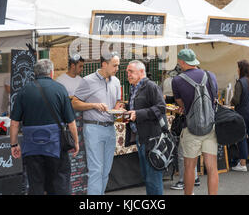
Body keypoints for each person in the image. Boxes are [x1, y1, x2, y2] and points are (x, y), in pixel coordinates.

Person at [10, 59, 79, 195]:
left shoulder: (23, 91)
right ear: (51, 72)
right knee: (60, 182)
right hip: (56, 146)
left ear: (35, 73)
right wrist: (75, 142)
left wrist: (14, 145)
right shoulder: (60, 89)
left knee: (36, 184)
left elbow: (14, 123)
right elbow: (71, 122)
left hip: (32, 148)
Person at [71, 52, 123, 195]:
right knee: (96, 170)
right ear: (104, 64)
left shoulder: (117, 81)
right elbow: (74, 103)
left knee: (105, 171)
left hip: (110, 128)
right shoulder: (88, 80)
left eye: (118, 65)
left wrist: (118, 108)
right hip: (93, 128)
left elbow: (117, 102)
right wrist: (93, 105)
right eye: (115, 65)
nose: (117, 68)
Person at [172, 49, 219, 195]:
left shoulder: (177, 80)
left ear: (182, 62)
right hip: (210, 127)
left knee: (189, 167)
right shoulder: (210, 75)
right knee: (212, 168)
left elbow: (181, 104)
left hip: (190, 127)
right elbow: (215, 98)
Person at [124, 60, 166, 195]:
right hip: (141, 138)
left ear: (141, 72)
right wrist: (124, 108)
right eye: (127, 72)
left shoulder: (151, 86)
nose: (128, 74)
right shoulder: (134, 87)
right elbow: (138, 107)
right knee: (147, 177)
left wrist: (138, 114)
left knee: (153, 178)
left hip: (152, 138)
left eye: (131, 71)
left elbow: (161, 108)